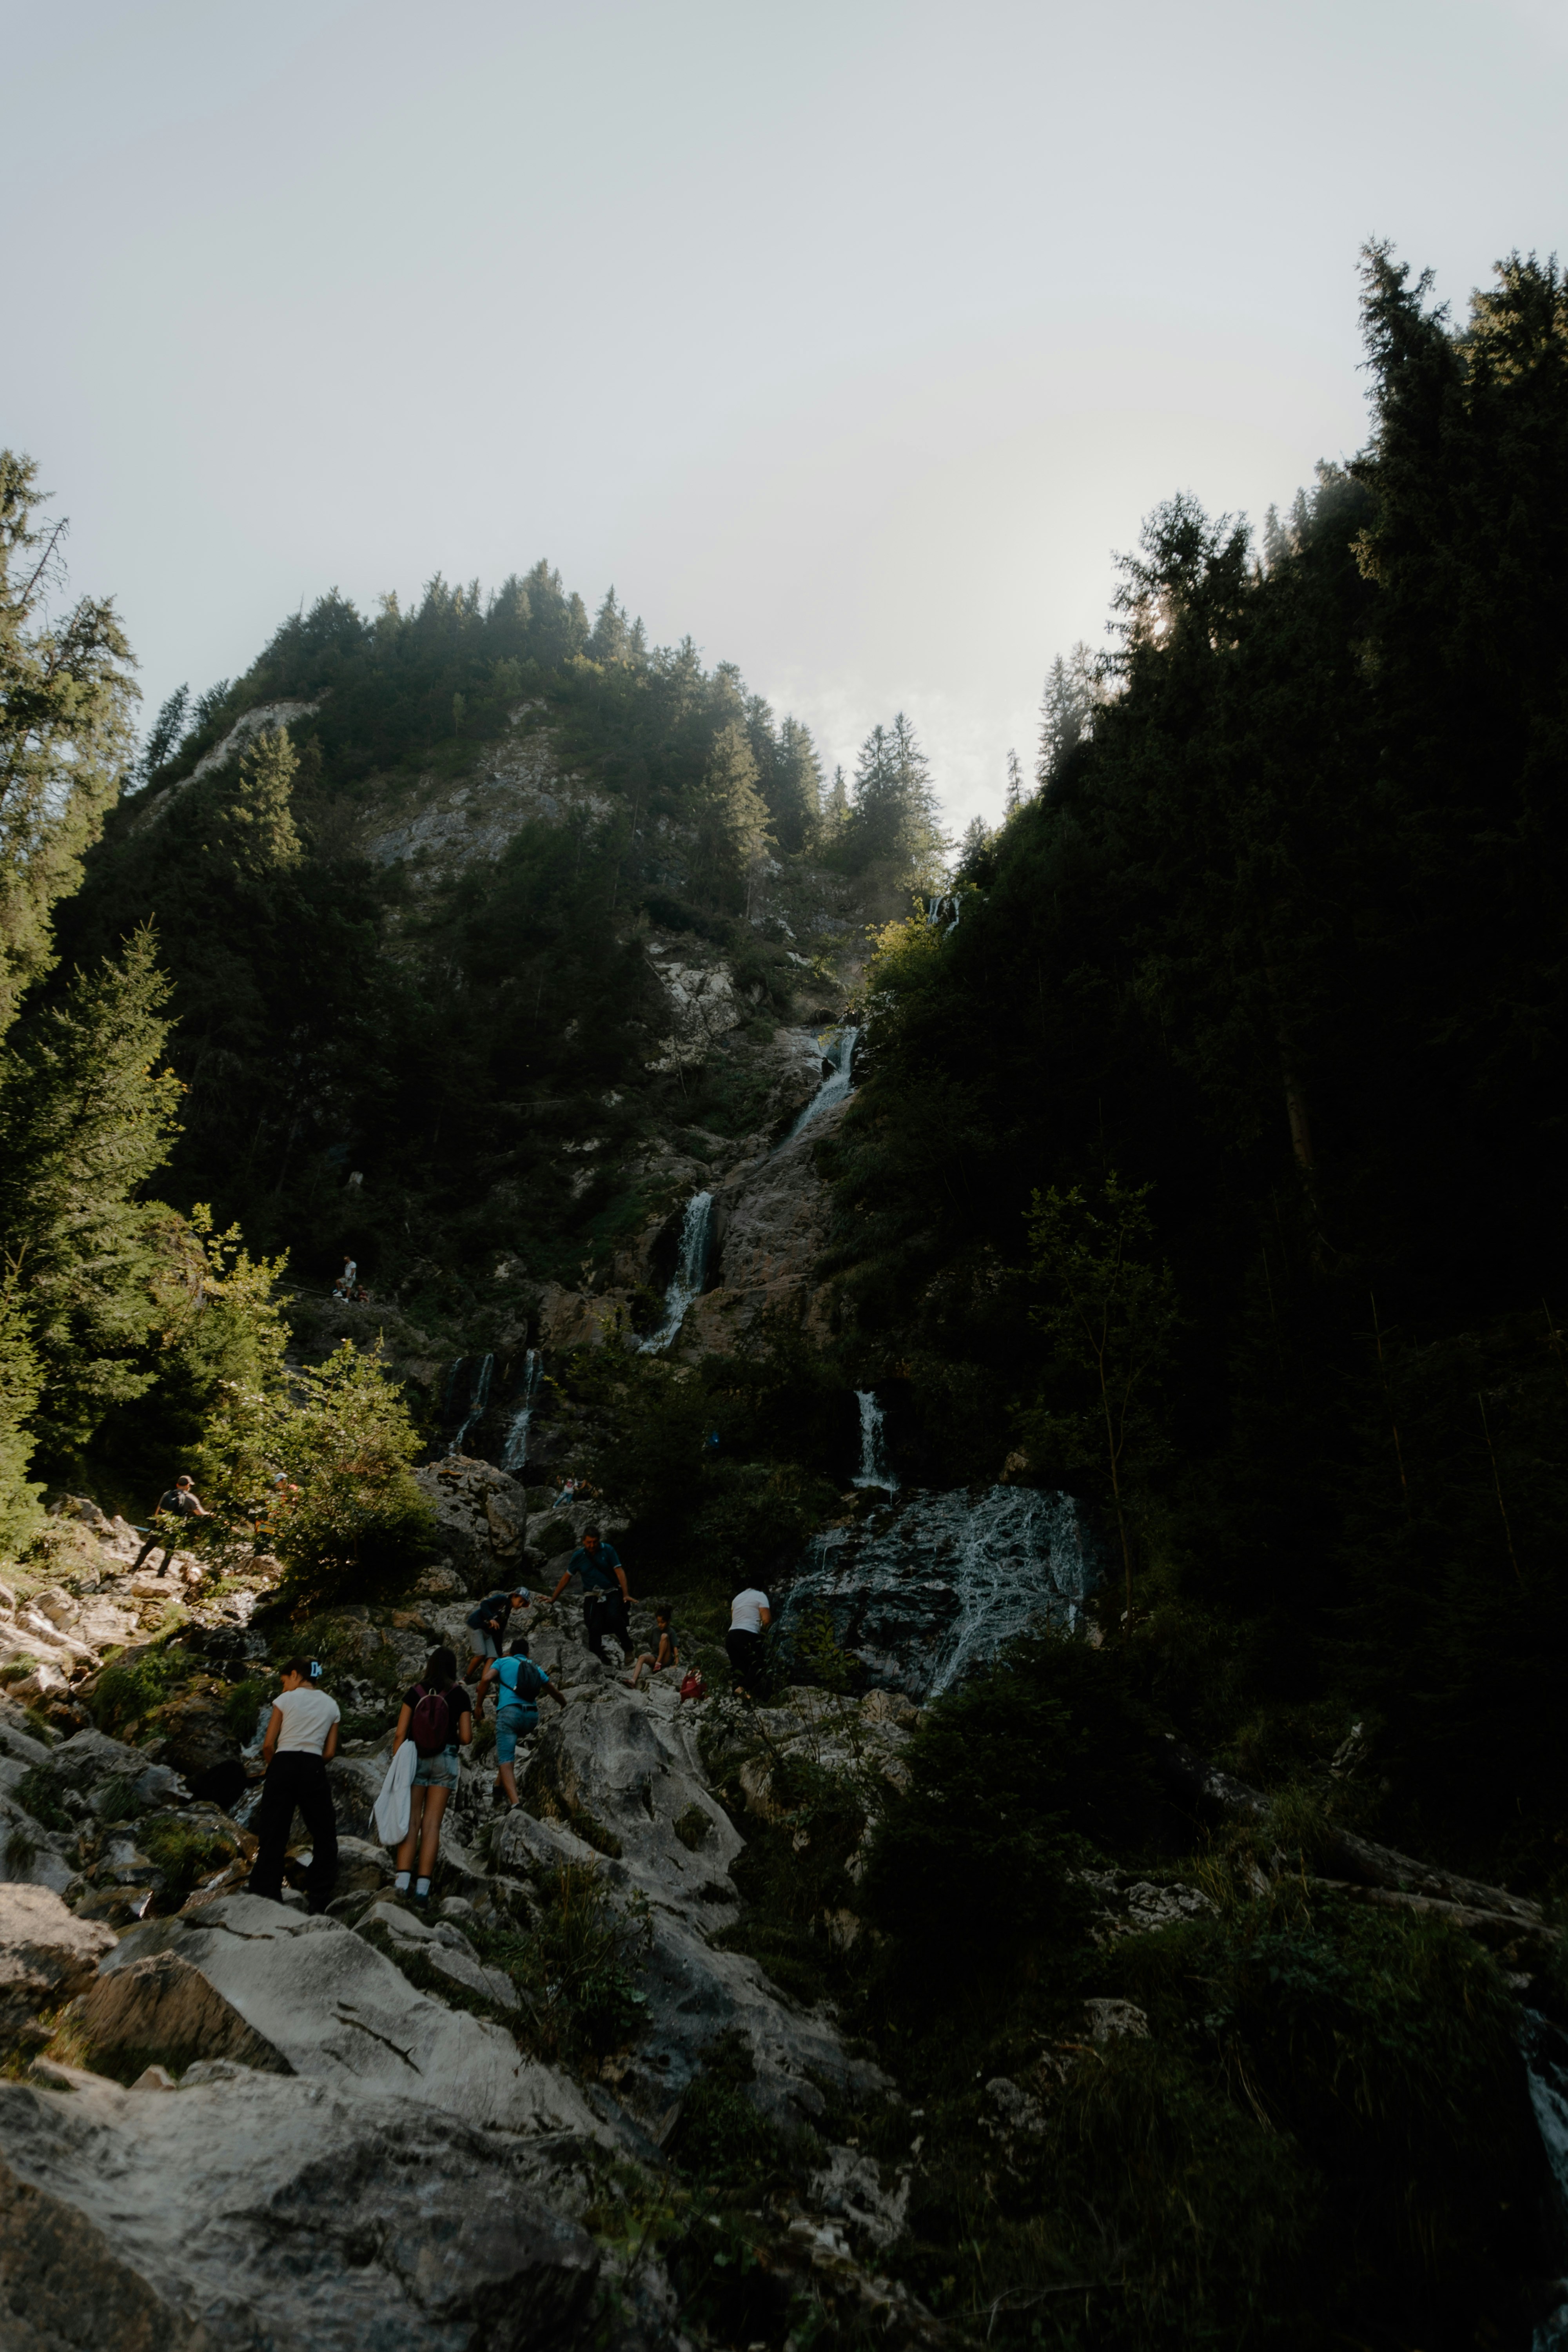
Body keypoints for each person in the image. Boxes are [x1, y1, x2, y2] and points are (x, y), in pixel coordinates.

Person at [247, 1657, 341, 1913]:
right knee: (324, 1832)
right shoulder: (332, 1705)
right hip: (313, 1766)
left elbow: (268, 1744)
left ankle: (266, 1891)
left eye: (284, 1681)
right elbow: (330, 1752)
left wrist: (274, 1765)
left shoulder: (286, 1700)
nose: (284, 1687)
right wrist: (311, 1760)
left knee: (274, 1830)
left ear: (297, 1675)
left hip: (283, 1763)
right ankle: (319, 1896)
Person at [390, 1646, 472, 1904]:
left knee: (412, 1820)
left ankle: (402, 1885)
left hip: (416, 1758)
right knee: (432, 1825)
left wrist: (398, 1764)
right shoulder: (460, 1695)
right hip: (446, 1759)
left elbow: (399, 1735)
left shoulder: (415, 1692)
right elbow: (467, 1738)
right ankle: (423, 1891)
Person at [477, 1636, 566, 1805]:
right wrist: (564, 1706)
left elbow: (486, 1679)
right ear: (528, 1653)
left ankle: (515, 1804)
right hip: (531, 1718)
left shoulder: (503, 1662)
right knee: (508, 1748)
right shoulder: (534, 1667)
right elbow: (554, 1692)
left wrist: (479, 1707)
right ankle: (498, 1788)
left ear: (511, 1652)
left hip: (510, 1715)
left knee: (506, 1759)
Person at [550, 1526, 630, 1666]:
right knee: (594, 1627)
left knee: (614, 1616)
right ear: (583, 1542)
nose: (592, 1546)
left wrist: (626, 1594)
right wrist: (553, 1599)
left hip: (611, 1592)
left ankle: (628, 1648)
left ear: (599, 1541)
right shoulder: (579, 1557)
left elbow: (619, 1572)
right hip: (592, 1595)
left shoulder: (608, 1550)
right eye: (589, 1543)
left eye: (595, 1542)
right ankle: (597, 1659)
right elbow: (566, 1578)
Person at [132, 1474, 212, 1576]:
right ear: (188, 1486)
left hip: (161, 1525)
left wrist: (159, 1525)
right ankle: (160, 1576)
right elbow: (201, 1514)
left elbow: (157, 1514)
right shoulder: (190, 1498)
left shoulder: (167, 1494)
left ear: (178, 1485)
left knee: (149, 1546)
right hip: (175, 1528)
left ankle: (135, 1568)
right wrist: (212, 1515)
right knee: (169, 1552)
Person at [463, 1588, 530, 1684]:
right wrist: (491, 1619)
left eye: (523, 1604)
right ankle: (466, 1678)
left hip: (488, 1633)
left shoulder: (507, 1612)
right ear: (514, 1596)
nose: (520, 1605)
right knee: (481, 1654)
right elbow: (484, 1604)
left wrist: (500, 1653)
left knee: (493, 1656)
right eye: (520, 1601)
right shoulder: (501, 1599)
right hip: (476, 1626)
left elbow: (499, 1633)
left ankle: (483, 1684)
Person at [726, 1584, 771, 1695]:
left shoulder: (738, 1598)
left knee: (740, 1668)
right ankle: (743, 1689)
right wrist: (763, 1635)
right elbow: (767, 1620)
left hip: (731, 1636)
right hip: (747, 1634)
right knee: (760, 1665)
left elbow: (735, 1618)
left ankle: (738, 1696)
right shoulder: (761, 1596)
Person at [623, 1606, 679, 1690]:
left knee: (664, 1636)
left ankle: (658, 1664)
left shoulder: (671, 1632)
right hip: (656, 1656)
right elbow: (651, 1646)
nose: (660, 1625)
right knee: (642, 1657)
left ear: (668, 1622)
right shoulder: (655, 1631)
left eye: (662, 1622)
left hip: (665, 1659)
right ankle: (633, 1681)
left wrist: (676, 1664)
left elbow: (675, 1649)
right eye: (658, 1622)